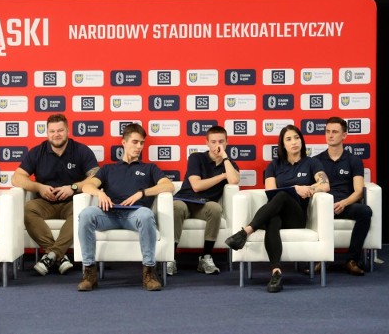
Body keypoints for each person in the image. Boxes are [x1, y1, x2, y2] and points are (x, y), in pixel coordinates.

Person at [225, 124, 330, 293]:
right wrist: (295, 188)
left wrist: (309, 189)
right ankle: (276, 273)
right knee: (273, 217)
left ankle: (245, 232)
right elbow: (270, 192)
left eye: (296, 138)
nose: (294, 142)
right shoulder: (274, 166)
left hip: (296, 217)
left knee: (282, 195)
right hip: (277, 214)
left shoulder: (312, 163)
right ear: (283, 144)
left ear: (302, 141)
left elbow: (325, 185)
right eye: (288, 139)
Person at [76, 123, 175, 291]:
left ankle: (149, 272)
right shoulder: (108, 169)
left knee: (146, 214)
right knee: (86, 214)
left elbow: (168, 186)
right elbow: (87, 186)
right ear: (124, 142)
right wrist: (100, 193)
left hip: (134, 215)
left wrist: (142, 193)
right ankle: (89, 272)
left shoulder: (149, 168)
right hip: (109, 215)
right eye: (135, 142)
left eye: (142, 143)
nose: (139, 147)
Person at [12, 114, 99, 276]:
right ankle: (59, 256)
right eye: (52, 131)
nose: (56, 134)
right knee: (28, 209)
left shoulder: (81, 150)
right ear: (47, 133)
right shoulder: (37, 152)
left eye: (60, 130)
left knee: (83, 213)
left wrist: (73, 187)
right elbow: (16, 178)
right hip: (45, 202)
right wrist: (38, 187)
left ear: (67, 130)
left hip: (71, 203)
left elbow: (97, 177)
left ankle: (51, 255)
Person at [169, 126, 240, 276]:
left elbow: (233, 180)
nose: (217, 146)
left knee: (215, 208)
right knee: (176, 207)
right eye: (213, 142)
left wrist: (225, 158)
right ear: (207, 143)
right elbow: (196, 186)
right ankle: (171, 258)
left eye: (221, 142)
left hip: (205, 204)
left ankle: (206, 257)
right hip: (186, 200)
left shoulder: (230, 165)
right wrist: (221, 176)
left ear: (227, 142)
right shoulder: (196, 158)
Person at [314, 116, 371, 276]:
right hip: (324, 206)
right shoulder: (316, 161)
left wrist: (344, 203)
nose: (330, 135)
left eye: (334, 132)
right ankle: (319, 259)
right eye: (327, 131)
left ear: (344, 135)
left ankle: (351, 260)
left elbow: (359, 190)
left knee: (365, 211)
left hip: (346, 204)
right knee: (310, 209)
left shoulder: (354, 160)